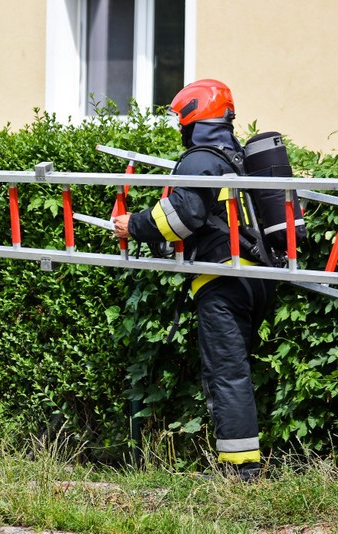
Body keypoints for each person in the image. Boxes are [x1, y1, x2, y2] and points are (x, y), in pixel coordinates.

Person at [113, 79, 284, 481]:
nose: (179, 127)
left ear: (193, 116)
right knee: (234, 369)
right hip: (255, 277)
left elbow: (181, 216)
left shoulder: (200, 159)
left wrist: (132, 225)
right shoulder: (233, 155)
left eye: (180, 119)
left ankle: (241, 473)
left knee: (227, 372)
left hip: (222, 279)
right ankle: (241, 468)